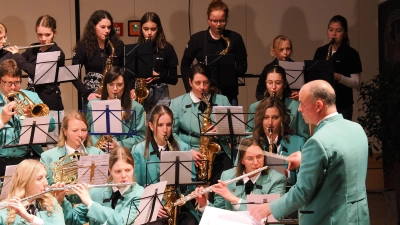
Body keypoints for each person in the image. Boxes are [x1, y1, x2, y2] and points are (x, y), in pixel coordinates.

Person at [249, 80, 370, 224]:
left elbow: (302, 192)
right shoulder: (357, 129)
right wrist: (305, 158)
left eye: (302, 104)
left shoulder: (317, 142)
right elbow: (340, 162)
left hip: (329, 218)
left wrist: (270, 207)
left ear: (318, 105)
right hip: (357, 217)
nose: (299, 109)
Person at [132, 104, 198, 224]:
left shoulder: (183, 148)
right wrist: (153, 206)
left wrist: (184, 187)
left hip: (178, 204)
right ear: (151, 126)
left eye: (168, 125)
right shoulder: (138, 150)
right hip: (152, 206)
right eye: (160, 125)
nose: (165, 130)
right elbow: (136, 186)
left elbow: (192, 182)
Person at [170, 63, 231, 188]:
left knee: (227, 177)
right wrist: (187, 150)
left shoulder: (222, 100)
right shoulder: (177, 104)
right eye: (198, 83)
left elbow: (232, 130)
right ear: (190, 82)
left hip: (217, 152)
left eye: (206, 82)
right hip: (189, 151)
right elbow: (171, 133)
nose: (202, 87)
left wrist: (220, 129)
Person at [181, 0, 247, 106]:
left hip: (228, 94)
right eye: (214, 21)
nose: (218, 25)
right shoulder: (197, 39)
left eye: (222, 21)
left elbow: (243, 66)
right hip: (203, 93)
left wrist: (228, 71)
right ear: (208, 20)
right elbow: (185, 65)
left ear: (226, 20)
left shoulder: (235, 38)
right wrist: (190, 88)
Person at [194, 137, 286, 213]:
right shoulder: (227, 176)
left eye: (259, 157)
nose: (256, 162)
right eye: (250, 159)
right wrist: (204, 203)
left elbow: (274, 211)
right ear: (242, 161)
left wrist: (234, 199)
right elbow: (219, 212)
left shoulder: (277, 179)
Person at [55, 146, 144, 225]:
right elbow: (72, 220)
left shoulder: (140, 194)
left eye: (128, 170)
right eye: (118, 171)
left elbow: (121, 221)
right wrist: (62, 201)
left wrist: (90, 203)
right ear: (110, 170)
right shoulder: (97, 191)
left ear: (134, 168)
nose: (124, 175)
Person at [0, 59, 56, 177]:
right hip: (2, 159)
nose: (14, 87)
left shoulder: (31, 96)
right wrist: (2, 120)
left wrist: (32, 117)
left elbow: (51, 126)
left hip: (28, 157)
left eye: (17, 82)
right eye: (9, 83)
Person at [21, 15, 66, 149]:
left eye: (47, 34)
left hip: (50, 105)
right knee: (31, 146)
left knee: (53, 148)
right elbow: (19, 63)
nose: (43, 39)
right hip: (31, 103)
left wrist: (18, 58)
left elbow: (36, 72)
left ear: (54, 33)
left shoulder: (57, 53)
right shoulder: (33, 48)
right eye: (40, 34)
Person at [128, 12, 179, 123]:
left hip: (160, 95)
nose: (149, 33)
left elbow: (174, 79)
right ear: (141, 29)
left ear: (159, 29)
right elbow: (129, 74)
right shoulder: (135, 49)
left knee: (160, 126)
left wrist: (159, 77)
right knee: (141, 128)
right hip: (141, 93)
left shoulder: (167, 49)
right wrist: (132, 88)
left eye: (153, 29)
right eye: (146, 29)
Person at [73, 10, 125, 110]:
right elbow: (73, 75)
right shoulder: (83, 47)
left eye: (109, 27)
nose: (107, 31)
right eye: (102, 27)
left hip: (114, 95)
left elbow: (124, 70)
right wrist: (87, 93)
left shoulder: (117, 46)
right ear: (93, 27)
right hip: (93, 96)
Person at [313, 15, 362, 121]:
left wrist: (339, 77)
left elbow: (356, 83)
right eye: (331, 30)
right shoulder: (321, 51)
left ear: (345, 33)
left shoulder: (351, 53)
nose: (333, 34)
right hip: (323, 103)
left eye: (338, 31)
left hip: (343, 104)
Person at [87, 66, 145, 151]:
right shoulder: (92, 105)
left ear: (125, 86)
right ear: (105, 85)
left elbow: (141, 137)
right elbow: (86, 132)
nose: (115, 89)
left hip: (122, 154)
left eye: (119, 85)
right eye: (111, 84)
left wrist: (119, 144)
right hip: (97, 152)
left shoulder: (136, 108)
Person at [40, 110, 103, 185]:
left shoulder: (98, 153)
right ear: (64, 131)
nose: (80, 134)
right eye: (75, 130)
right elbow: (44, 188)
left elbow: (103, 186)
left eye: (84, 130)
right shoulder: (47, 157)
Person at [247, 65, 309, 140]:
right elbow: (248, 136)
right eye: (270, 83)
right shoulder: (254, 107)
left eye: (278, 83)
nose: (273, 87)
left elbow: (304, 138)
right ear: (265, 83)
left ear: (285, 84)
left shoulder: (297, 107)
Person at [0, 159, 65, 225]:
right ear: (25, 181)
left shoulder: (52, 203)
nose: (46, 183)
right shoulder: (4, 209)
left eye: (45, 177)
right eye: (39, 178)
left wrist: (30, 218)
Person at [255, 35, 298, 101]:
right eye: (281, 50)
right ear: (273, 51)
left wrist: (300, 94)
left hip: (292, 104)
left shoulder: (297, 67)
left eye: (288, 49)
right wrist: (267, 103)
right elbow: (259, 93)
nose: (285, 53)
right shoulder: (268, 68)